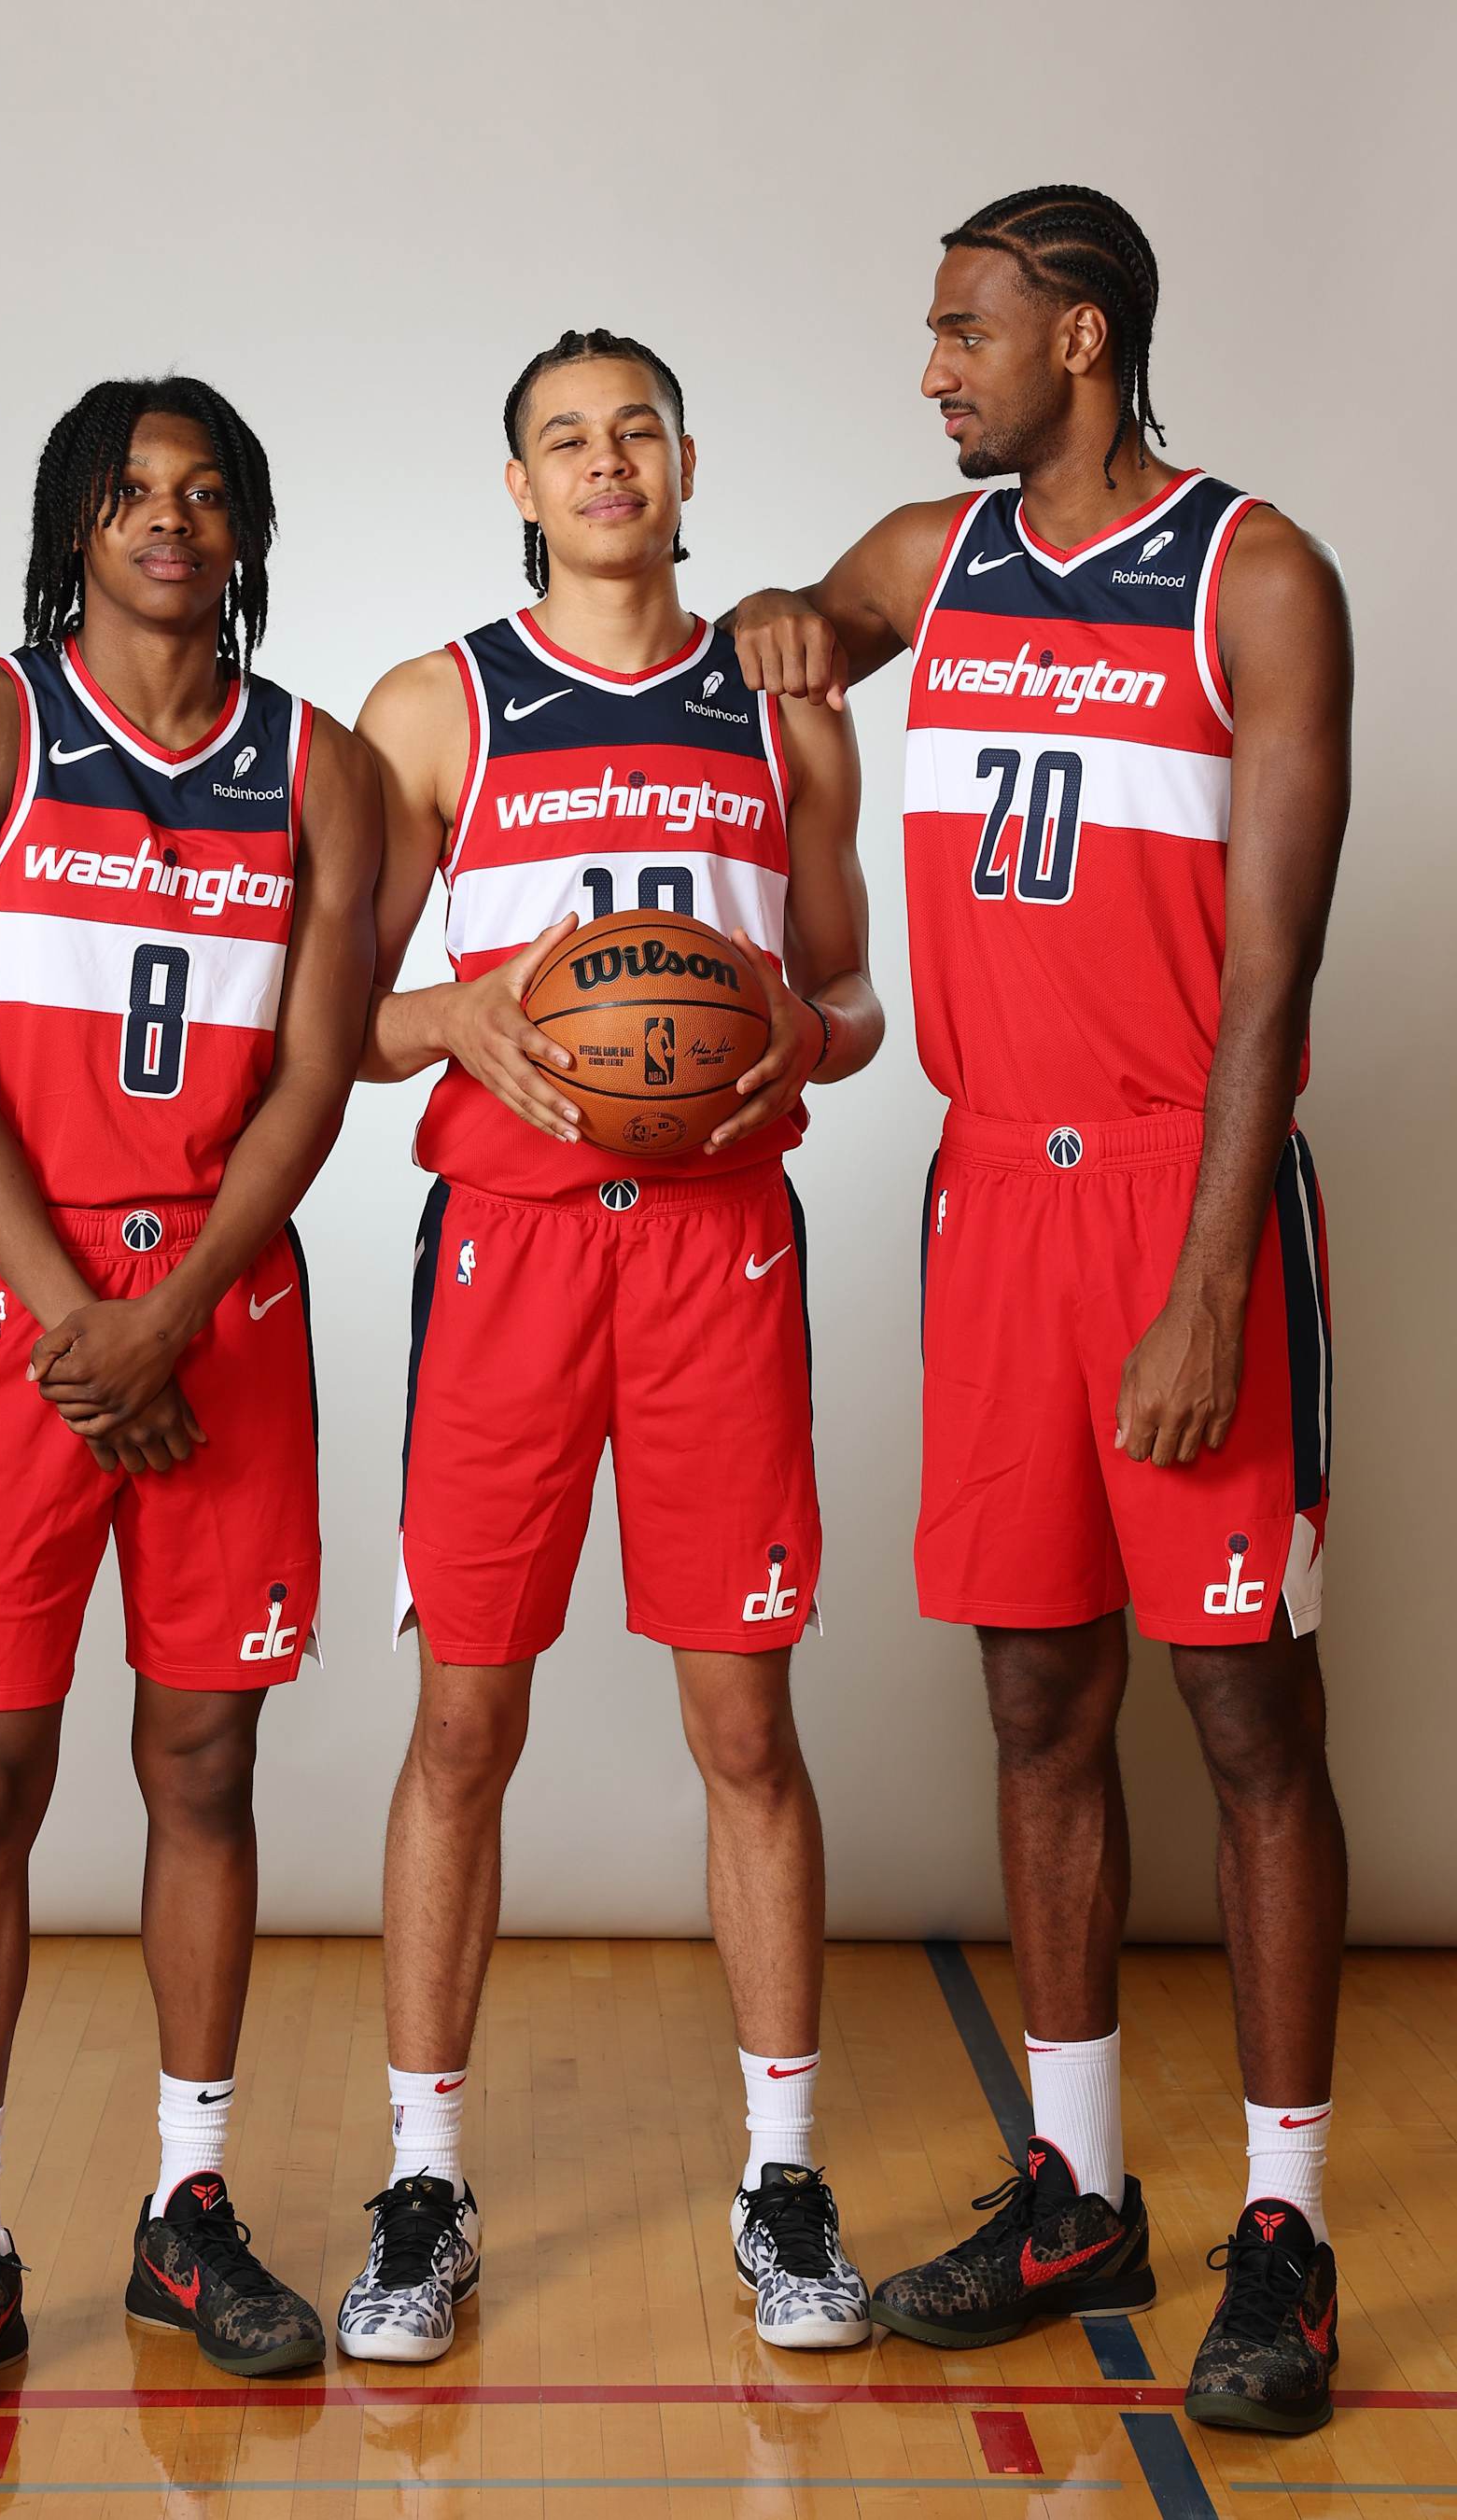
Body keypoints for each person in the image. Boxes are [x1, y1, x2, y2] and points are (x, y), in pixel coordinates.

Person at [731, 189, 1351, 2436]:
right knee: (1034, 1711)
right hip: (989, 1203)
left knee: (1250, 1723)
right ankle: (1074, 2184)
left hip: (1184, 1205)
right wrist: (791, 621)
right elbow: (798, 615)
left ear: (1077, 340)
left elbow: (1273, 982)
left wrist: (1204, 1287)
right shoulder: (944, 555)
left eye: (963, 333)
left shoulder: (1256, 574)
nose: (932, 369)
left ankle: (1283, 2225)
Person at [338, 327, 886, 2363]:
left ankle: (783, 2176)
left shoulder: (787, 714)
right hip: (510, 1250)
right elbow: (347, 1013)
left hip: (724, 1247)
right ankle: (421, 2180)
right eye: (564, 438)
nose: (604, 463)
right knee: (466, 1729)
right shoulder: (438, 708)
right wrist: (460, 1019)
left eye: (635, 429)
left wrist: (794, 1048)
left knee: (745, 1728)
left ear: (682, 459)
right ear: (517, 482)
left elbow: (851, 991)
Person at [0, 377, 380, 2428]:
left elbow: (317, 1076)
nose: (168, 520)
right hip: (23, 1305)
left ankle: (189, 2209)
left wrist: (176, 1318)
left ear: (246, 530)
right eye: (130, 491)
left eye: (204, 492)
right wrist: (92, 1322)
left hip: (222, 1306)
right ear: (76, 523)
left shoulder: (317, 770)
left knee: (205, 1766)